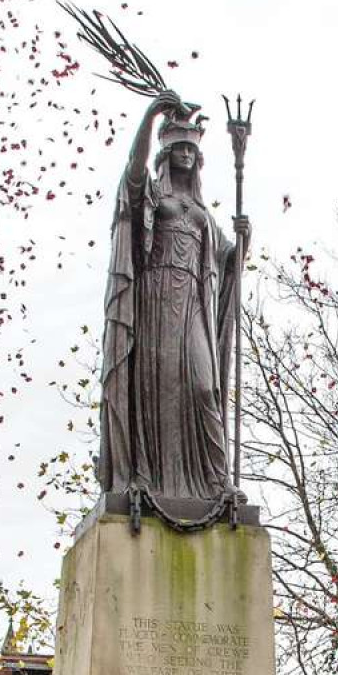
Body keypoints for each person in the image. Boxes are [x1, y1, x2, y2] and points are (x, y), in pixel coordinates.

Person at [99, 90, 250, 500]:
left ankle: (216, 482)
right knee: (158, 391)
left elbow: (227, 262)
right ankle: (150, 478)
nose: (186, 154)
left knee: (205, 388)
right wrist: (149, 119)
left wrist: (242, 242)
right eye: (179, 147)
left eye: (191, 149)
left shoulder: (203, 214)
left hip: (194, 307)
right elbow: (132, 175)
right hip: (155, 298)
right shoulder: (152, 196)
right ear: (166, 155)